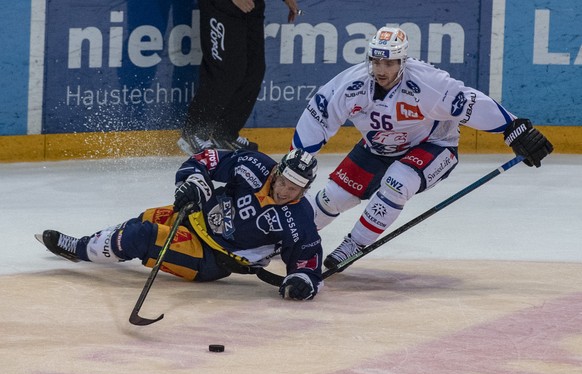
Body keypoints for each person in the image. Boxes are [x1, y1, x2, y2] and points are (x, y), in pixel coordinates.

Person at [290, 26, 554, 271]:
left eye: (389, 62)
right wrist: (298, 155)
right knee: (332, 197)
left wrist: (511, 128)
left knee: (397, 181)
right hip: (377, 147)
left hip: (435, 146)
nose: (381, 69)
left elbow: (469, 103)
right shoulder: (352, 83)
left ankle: (354, 244)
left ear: (403, 61)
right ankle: (288, 237)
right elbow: (320, 114)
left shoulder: (427, 83)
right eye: (376, 61)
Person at [36, 148, 323, 301]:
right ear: (278, 172)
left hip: (212, 259)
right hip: (199, 217)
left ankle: (79, 249)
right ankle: (88, 245)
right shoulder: (254, 165)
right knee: (145, 219)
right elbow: (205, 160)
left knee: (141, 235)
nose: (285, 191)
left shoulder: (299, 218)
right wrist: (194, 181)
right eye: (284, 182)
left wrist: (302, 281)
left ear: (305, 189)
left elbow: (307, 259)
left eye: (295, 189)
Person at [178, 0, 301, 154]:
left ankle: (224, 134)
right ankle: (194, 132)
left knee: (253, 71)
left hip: (252, 7)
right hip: (222, 6)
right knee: (225, 71)